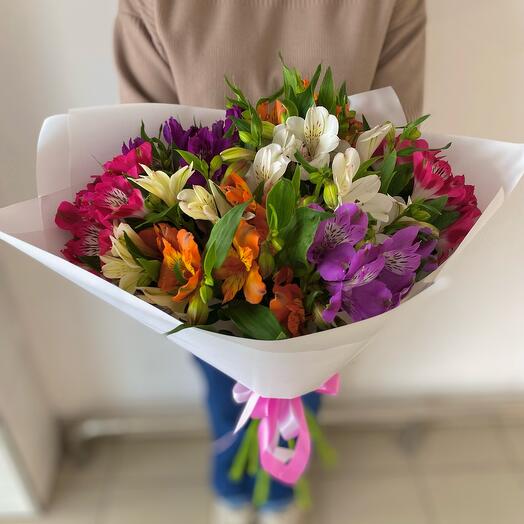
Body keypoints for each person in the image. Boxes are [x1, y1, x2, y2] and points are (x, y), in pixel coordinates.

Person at [114, 1, 426, 523]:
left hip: (256, 256)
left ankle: (252, 491)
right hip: (208, 256)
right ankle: (258, 490)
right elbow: (396, 142)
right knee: (269, 378)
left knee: (261, 378)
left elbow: (141, 147)